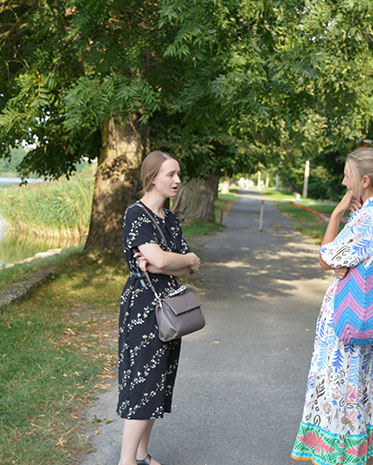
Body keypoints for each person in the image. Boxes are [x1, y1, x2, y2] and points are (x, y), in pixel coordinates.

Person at [291, 147, 373, 465]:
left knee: (343, 399)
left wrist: (338, 214)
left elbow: (327, 257)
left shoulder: (367, 216)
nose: (343, 183)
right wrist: (346, 262)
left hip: (350, 322)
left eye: (347, 176)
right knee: (364, 400)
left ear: (365, 180)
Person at [117, 150, 201, 465]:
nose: (177, 180)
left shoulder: (171, 218)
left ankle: (141, 454)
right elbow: (168, 259)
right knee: (143, 382)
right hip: (143, 308)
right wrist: (171, 261)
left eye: (178, 174)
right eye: (170, 174)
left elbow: (187, 264)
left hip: (170, 308)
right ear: (153, 177)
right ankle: (126, 462)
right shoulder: (136, 214)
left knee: (159, 381)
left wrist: (176, 262)